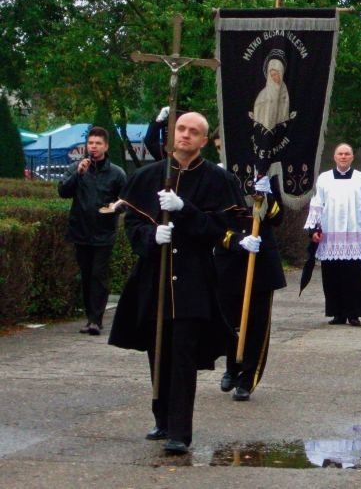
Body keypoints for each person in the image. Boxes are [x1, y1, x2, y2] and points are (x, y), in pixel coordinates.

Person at [108, 112, 241, 455]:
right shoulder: (147, 176)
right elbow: (132, 226)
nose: (185, 135)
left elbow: (219, 231)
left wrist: (184, 210)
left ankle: (180, 431)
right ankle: (162, 417)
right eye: (180, 129)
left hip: (192, 282)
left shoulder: (216, 179)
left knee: (183, 355)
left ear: (202, 140)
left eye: (193, 132)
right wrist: (151, 236)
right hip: (154, 280)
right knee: (158, 351)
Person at [215, 171, 286, 402]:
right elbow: (210, 220)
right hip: (229, 260)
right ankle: (232, 367)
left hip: (260, 262)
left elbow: (277, 218)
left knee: (257, 323)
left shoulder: (269, 177)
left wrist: (266, 196)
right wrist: (233, 239)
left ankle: (248, 377)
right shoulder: (218, 175)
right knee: (227, 320)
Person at [57, 126, 126, 336]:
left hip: (104, 231)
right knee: (86, 275)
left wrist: (115, 207)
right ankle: (89, 317)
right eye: (90, 143)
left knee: (98, 274)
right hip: (81, 230)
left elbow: (126, 199)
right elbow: (63, 191)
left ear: (106, 146)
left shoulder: (116, 173)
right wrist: (78, 174)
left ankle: (96, 320)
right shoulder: (77, 167)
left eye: (98, 144)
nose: (93, 147)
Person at [303, 143, 361, 326]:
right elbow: (317, 204)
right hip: (330, 235)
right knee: (332, 276)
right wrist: (314, 230)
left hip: (353, 235)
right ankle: (337, 313)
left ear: (352, 157)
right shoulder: (324, 178)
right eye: (340, 154)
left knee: (354, 276)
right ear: (334, 157)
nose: (343, 157)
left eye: (347, 154)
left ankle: (354, 313)